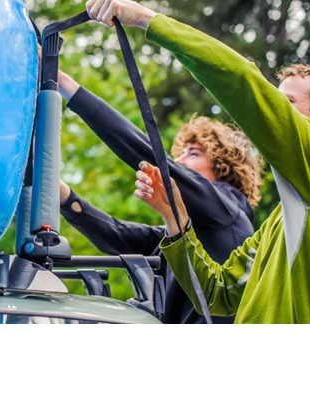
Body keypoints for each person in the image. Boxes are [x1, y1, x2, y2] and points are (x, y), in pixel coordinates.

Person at [85, 0, 310, 324]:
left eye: (285, 105)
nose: (272, 111)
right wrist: (175, 218)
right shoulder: (281, 220)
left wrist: (146, 19)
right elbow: (218, 293)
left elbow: (241, 79)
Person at [56, 69, 262, 324]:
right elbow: (117, 235)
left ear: (224, 166)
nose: (179, 161)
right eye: (180, 154)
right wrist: (63, 195)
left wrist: (66, 85)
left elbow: (148, 154)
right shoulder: (183, 232)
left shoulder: (227, 207)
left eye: (193, 153)